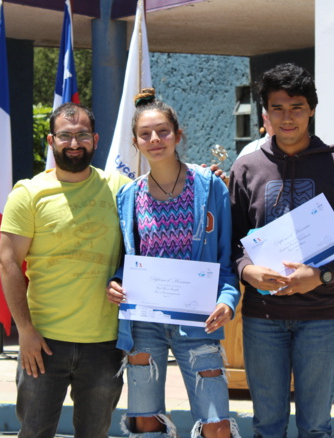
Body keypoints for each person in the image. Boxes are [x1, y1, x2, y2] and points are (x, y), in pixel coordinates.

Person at [228, 63, 334, 438]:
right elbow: (230, 243)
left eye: (296, 107)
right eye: (277, 108)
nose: (287, 117)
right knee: (267, 426)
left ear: (312, 109)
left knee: (315, 427)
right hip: (263, 317)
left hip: (323, 318)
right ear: (265, 114)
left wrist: (321, 275)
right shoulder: (246, 169)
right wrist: (247, 270)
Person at [106, 88, 241, 438]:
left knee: (216, 425)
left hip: (199, 319)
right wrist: (117, 283)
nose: (155, 139)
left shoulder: (210, 188)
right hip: (143, 323)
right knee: (144, 422)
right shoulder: (128, 196)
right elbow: (126, 261)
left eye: (163, 131)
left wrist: (227, 301)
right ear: (135, 143)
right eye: (145, 134)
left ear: (178, 135)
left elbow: (226, 260)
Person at [0, 102, 129, 438]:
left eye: (82, 135)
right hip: (43, 343)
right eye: (65, 136)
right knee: (35, 433)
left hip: (105, 343)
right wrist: (25, 330)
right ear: (50, 140)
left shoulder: (119, 188)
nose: (74, 144)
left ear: (96, 140)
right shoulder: (28, 193)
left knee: (95, 434)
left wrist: (207, 176)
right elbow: (8, 262)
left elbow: (161, 203)